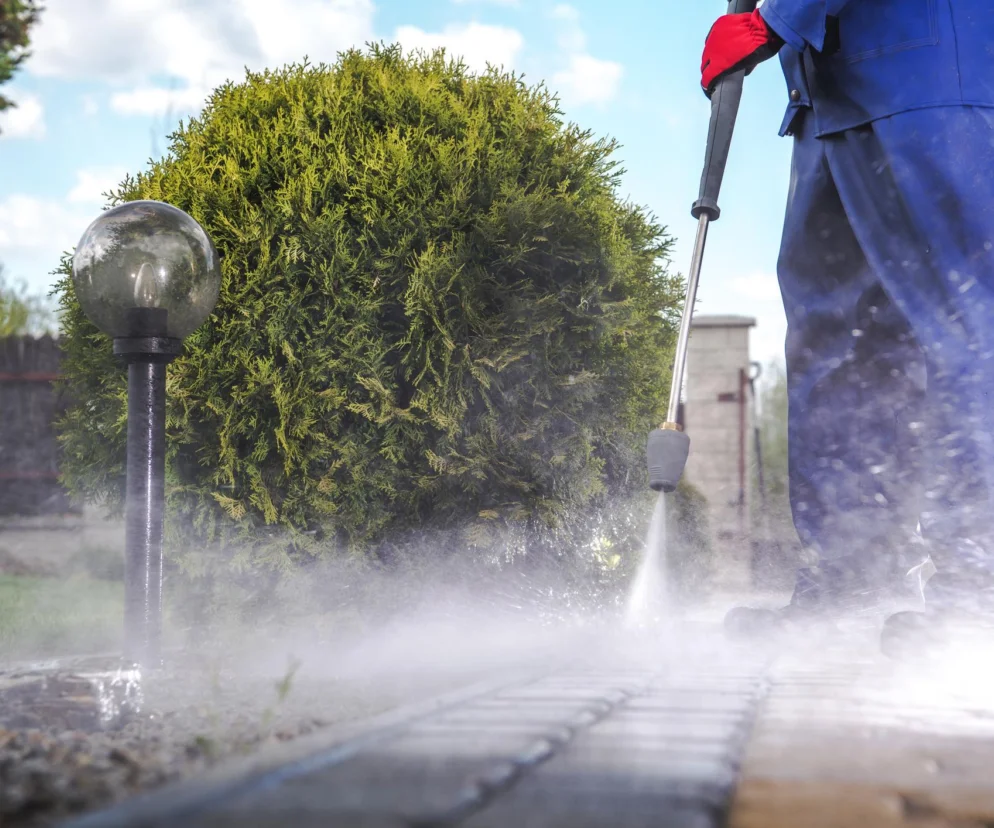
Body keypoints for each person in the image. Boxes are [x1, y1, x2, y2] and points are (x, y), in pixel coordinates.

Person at [699, 1, 994, 642]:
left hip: (930, 82)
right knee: (840, 341)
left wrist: (773, 20)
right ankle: (854, 577)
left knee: (969, 323)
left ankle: (979, 596)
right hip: (827, 99)